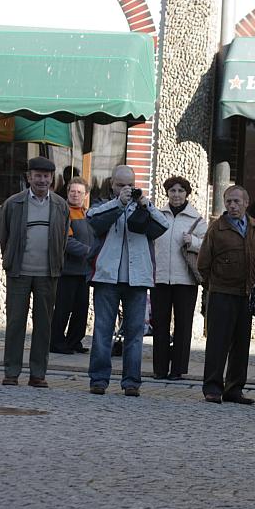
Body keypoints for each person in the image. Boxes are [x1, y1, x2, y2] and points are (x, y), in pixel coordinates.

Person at [86, 165, 169, 396]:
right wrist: (119, 204)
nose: (126, 189)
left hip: (138, 279)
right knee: (103, 330)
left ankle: (131, 382)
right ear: (112, 184)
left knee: (135, 333)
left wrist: (146, 204)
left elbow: (163, 226)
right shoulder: (103, 204)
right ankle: (99, 380)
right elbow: (92, 221)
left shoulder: (142, 207)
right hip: (106, 277)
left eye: (130, 185)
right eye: (121, 185)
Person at [0, 157, 71, 388]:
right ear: (29, 177)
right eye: (37, 175)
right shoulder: (13, 203)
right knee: (15, 322)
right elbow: (4, 235)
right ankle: (11, 372)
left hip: (48, 273)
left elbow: (63, 240)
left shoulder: (60, 205)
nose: (42, 180)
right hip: (19, 272)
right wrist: (11, 259)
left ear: (52, 179)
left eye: (46, 176)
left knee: (43, 325)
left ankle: (38, 374)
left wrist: (56, 262)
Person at [197, 185, 255, 404]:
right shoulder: (217, 228)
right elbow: (203, 263)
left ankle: (234, 388)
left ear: (246, 202)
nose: (232, 206)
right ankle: (213, 387)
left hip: (246, 293)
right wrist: (213, 284)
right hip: (221, 292)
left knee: (242, 344)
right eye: (228, 202)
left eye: (236, 201)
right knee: (217, 342)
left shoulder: (254, 226)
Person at [151, 176, 207, 380]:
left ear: (187, 194)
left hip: (186, 280)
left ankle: (178, 369)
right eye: (172, 191)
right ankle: (159, 368)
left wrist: (192, 241)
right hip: (160, 278)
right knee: (160, 324)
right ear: (167, 193)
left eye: (180, 191)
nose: (176, 195)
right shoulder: (157, 216)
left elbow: (207, 246)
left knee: (183, 325)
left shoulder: (197, 220)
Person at [50, 177, 95, 355]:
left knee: (80, 309)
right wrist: (89, 251)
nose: (75, 195)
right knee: (63, 309)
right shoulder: (64, 212)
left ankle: (74, 341)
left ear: (86, 195)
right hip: (67, 270)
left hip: (84, 271)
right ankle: (56, 343)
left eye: (79, 192)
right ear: (67, 192)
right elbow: (66, 241)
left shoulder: (86, 213)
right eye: (72, 191)